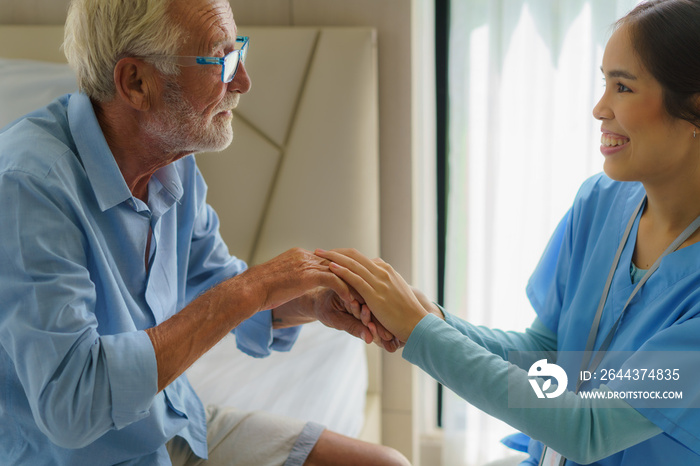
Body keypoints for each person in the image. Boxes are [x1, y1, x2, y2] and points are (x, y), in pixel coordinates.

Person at [0, 0, 409, 465]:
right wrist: (253, 288)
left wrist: (311, 301)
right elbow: (73, 402)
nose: (243, 82)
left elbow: (212, 283)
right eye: (220, 61)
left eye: (239, 53)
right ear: (136, 82)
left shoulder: (174, 162)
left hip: (170, 424)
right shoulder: (26, 187)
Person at [318, 0, 700, 464]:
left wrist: (419, 331)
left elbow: (589, 429)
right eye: (604, 83)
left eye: (622, 87)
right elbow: (546, 357)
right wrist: (426, 316)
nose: (600, 108)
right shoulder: (600, 204)